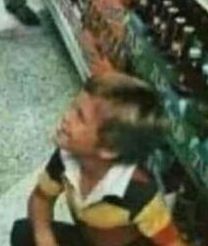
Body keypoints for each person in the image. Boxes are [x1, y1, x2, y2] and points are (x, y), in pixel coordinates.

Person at [11, 72, 188, 246]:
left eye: (80, 117)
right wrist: (45, 239)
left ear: (108, 148)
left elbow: (172, 242)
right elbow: (41, 198)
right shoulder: (67, 155)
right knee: (23, 233)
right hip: (87, 238)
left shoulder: (141, 196)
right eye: (73, 106)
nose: (66, 116)